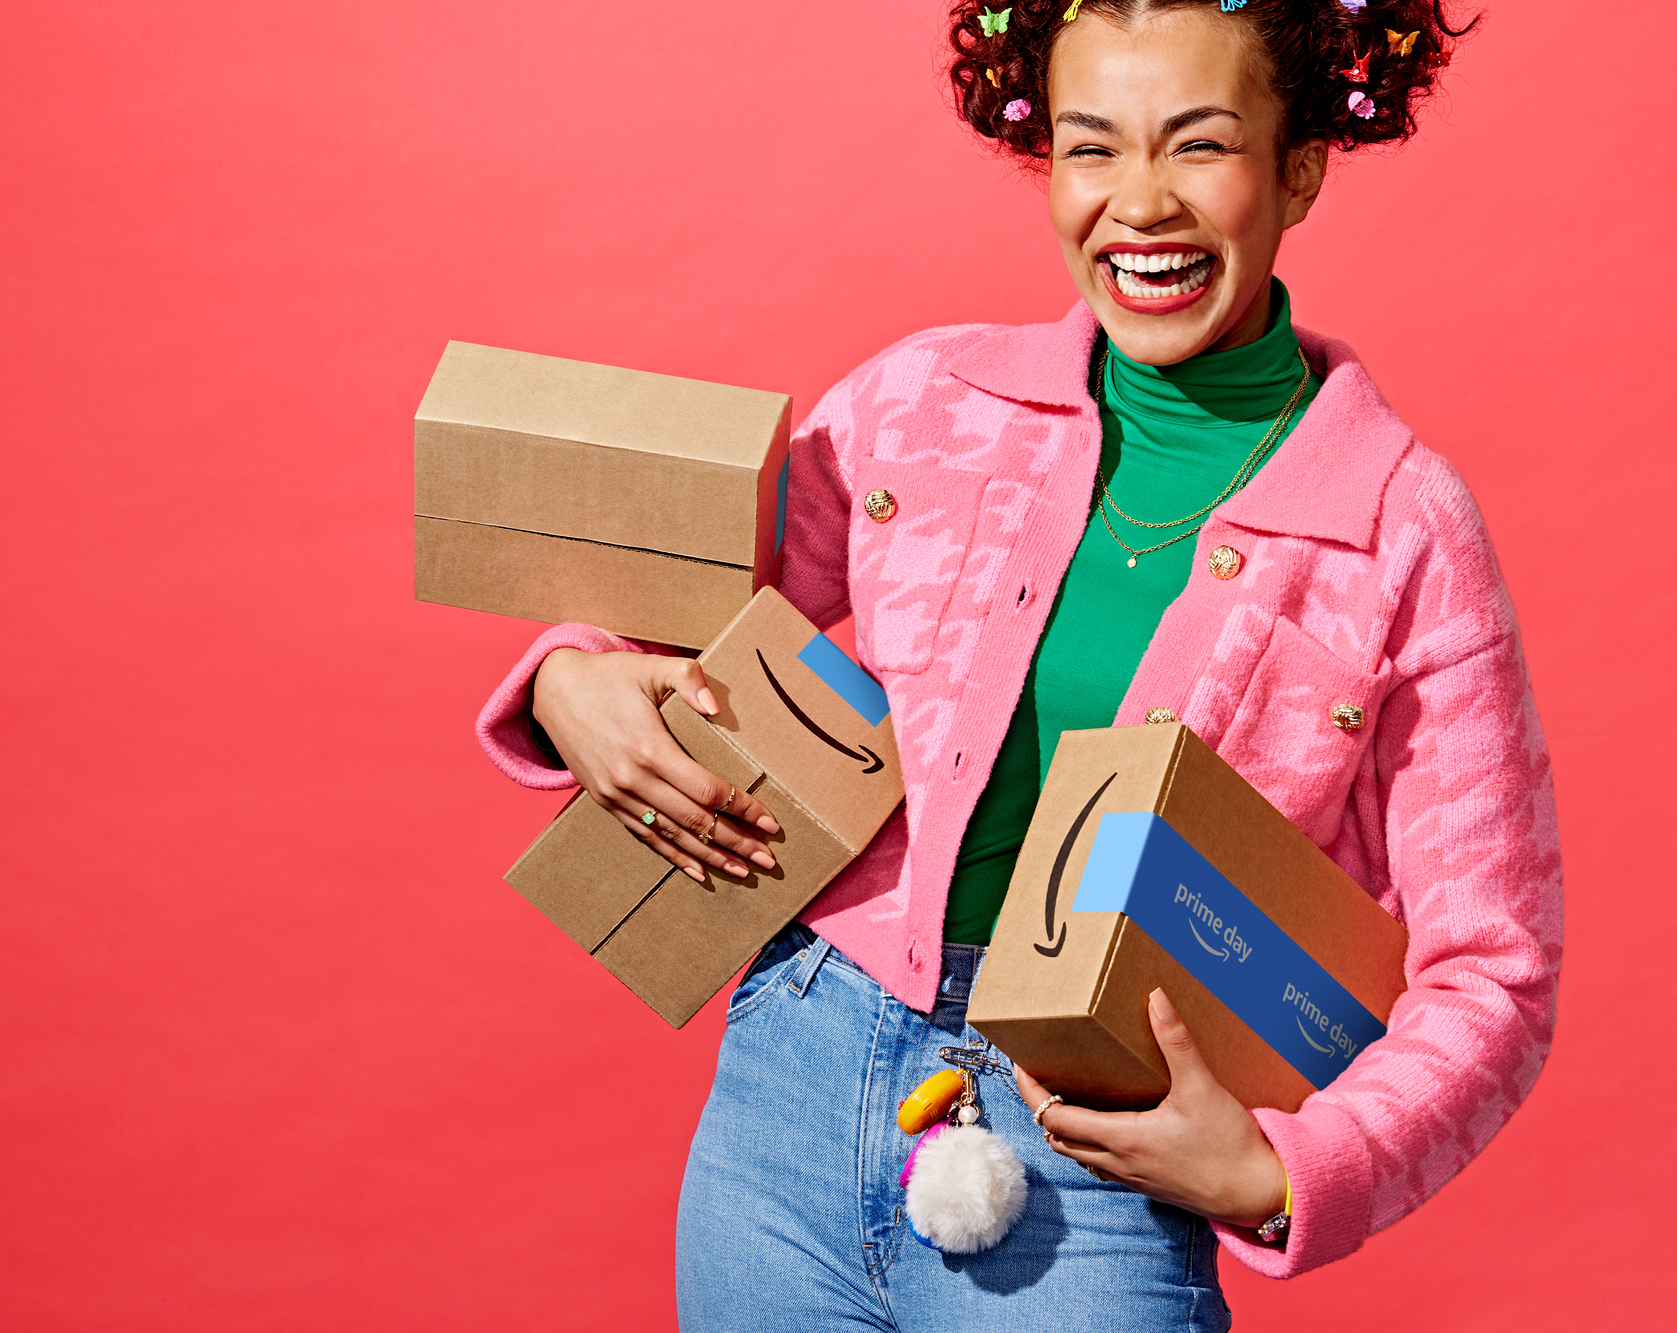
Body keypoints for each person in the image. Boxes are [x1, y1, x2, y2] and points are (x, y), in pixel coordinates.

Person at [475, 1, 1561, 1326]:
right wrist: (570, 675)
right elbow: (682, 618)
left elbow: (1492, 969)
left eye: (1199, 145)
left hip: (1095, 1164)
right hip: (793, 1091)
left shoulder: (1400, 527)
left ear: (1299, 169)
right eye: (1090, 147)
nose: (1138, 204)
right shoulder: (926, 403)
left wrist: (1288, 1171)